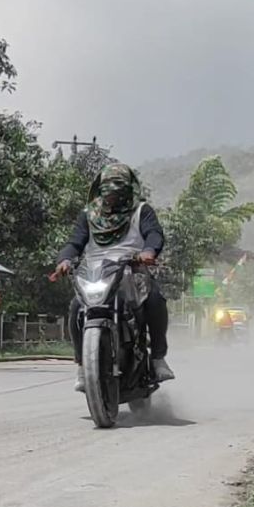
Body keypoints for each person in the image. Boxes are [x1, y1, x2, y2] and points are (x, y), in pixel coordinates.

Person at [54, 162, 175, 393]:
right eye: (108, 192)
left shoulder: (142, 211)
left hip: (133, 270)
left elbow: (154, 234)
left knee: (156, 301)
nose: (112, 197)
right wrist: (65, 259)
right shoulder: (88, 215)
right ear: (100, 190)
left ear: (128, 190)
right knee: (76, 309)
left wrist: (149, 251)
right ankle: (82, 366)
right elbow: (75, 242)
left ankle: (158, 359)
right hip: (95, 272)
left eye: (118, 191)